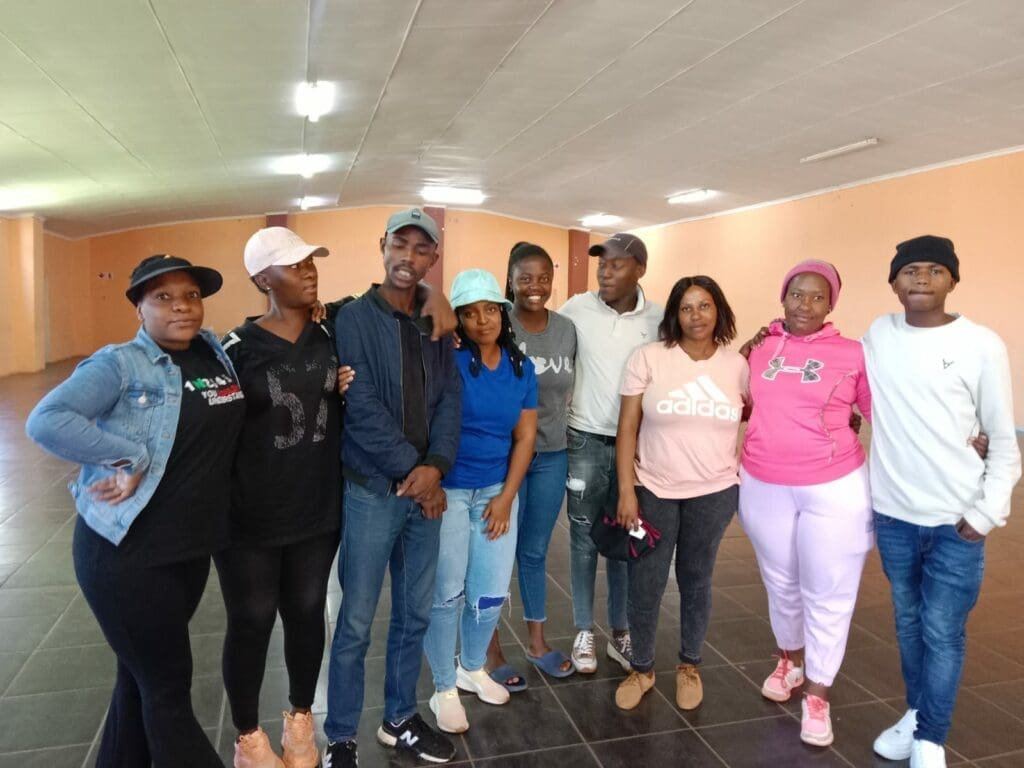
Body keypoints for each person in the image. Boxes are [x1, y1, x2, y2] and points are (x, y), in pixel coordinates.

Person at [25, 255, 245, 767]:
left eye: (191, 295)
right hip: (127, 556)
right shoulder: (121, 363)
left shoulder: (212, 352)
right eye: (163, 297)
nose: (182, 307)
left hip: (188, 549)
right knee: (167, 690)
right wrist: (129, 456)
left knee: (138, 676)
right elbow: (46, 419)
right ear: (139, 308)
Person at [866, 236, 1021, 768]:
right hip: (893, 517)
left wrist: (986, 513)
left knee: (942, 631)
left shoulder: (981, 344)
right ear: (893, 282)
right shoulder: (878, 335)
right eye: (910, 270)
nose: (922, 278)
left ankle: (931, 737)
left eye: (935, 270)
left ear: (954, 280)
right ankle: (916, 715)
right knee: (909, 623)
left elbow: (1003, 438)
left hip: (956, 521)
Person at [323, 208, 462, 768]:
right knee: (356, 621)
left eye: (421, 249)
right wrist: (418, 475)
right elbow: (359, 406)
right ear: (382, 245)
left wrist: (437, 466)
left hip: (425, 489)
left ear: (433, 258)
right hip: (374, 493)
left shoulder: (435, 320)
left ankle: (400, 718)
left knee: (414, 614)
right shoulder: (354, 318)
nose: (408, 257)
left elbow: (449, 397)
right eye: (399, 244)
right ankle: (340, 736)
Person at [216, 227, 349, 768]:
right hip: (248, 517)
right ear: (262, 280)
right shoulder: (235, 349)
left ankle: (300, 719)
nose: (308, 271)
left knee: (307, 611)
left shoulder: (332, 334)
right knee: (251, 620)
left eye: (310, 262)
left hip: (316, 509)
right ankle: (248, 736)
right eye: (293, 266)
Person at [738, 259, 872, 748]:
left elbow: (883, 414)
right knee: (780, 581)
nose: (806, 305)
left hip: (834, 485)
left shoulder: (854, 353)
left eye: (818, 297)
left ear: (831, 304)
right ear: (783, 297)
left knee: (829, 589)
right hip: (762, 481)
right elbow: (738, 404)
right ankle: (790, 662)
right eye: (797, 294)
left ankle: (818, 692)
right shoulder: (758, 349)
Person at [613, 276, 747, 711]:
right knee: (646, 580)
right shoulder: (649, 357)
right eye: (686, 308)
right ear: (674, 315)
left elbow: (763, 413)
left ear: (718, 310)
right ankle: (642, 667)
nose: (696, 316)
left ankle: (690, 664)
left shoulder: (737, 366)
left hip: (715, 490)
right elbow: (627, 428)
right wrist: (627, 490)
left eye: (704, 306)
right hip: (653, 487)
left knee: (696, 578)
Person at [423, 268, 538, 733]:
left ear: (503, 314)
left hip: (496, 492)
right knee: (447, 593)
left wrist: (507, 497)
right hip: (449, 491)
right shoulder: (446, 360)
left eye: (491, 310)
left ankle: (472, 668)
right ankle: (443, 687)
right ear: (458, 319)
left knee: (488, 593)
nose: (482, 320)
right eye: (469, 313)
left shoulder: (520, 368)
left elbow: (525, 436)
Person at [559, 233, 662, 674]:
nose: (605, 272)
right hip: (584, 439)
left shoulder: (658, 319)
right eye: (602, 264)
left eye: (616, 264)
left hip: (634, 446)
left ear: (640, 268)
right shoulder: (576, 308)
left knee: (623, 537)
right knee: (583, 538)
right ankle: (584, 629)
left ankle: (620, 631)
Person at [485, 242, 577, 689]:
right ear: (510, 280)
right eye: (525, 278)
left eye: (543, 278)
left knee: (534, 552)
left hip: (551, 455)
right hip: (503, 458)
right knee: (494, 553)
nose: (535, 286)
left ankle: (537, 643)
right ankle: (489, 648)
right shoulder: (496, 322)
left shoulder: (566, 330)